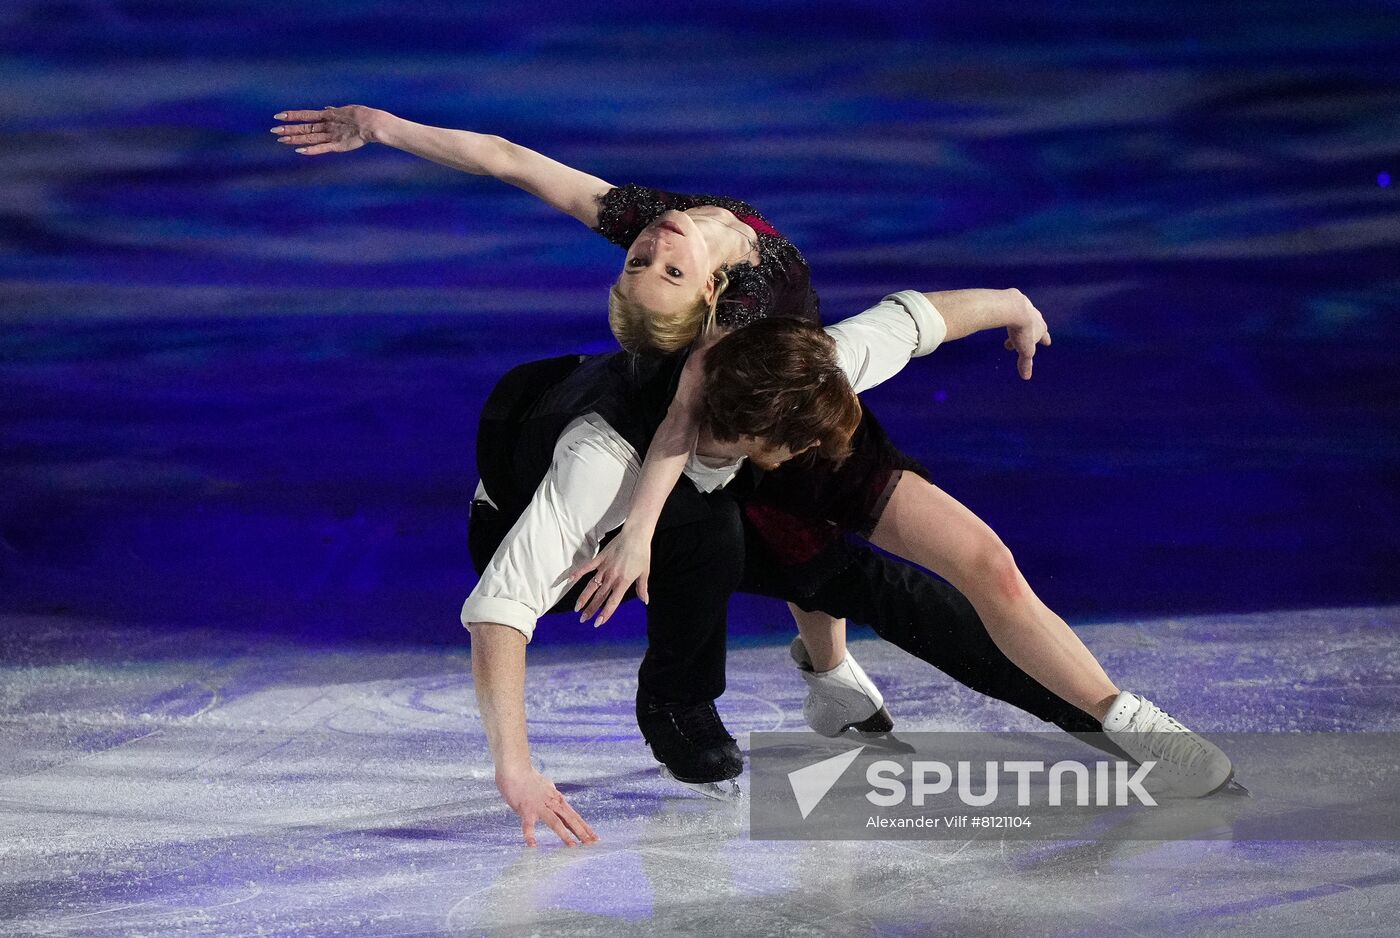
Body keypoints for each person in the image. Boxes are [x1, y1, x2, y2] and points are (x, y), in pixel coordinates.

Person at [270, 107, 1237, 827]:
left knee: (979, 566)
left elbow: (513, 162)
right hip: (702, 456)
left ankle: (1096, 714)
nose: (657, 250)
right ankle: (771, 683)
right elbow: (669, 438)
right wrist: (633, 543)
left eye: (651, 262)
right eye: (658, 266)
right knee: (809, 564)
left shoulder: (745, 301)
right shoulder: (679, 394)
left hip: (808, 408)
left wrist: (381, 126)